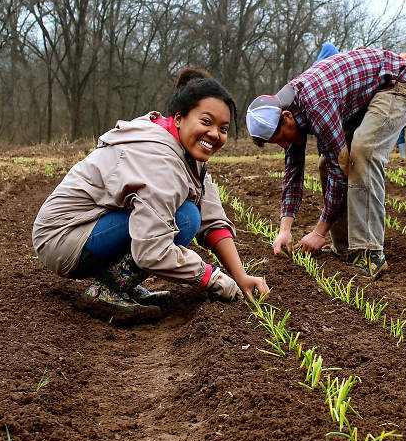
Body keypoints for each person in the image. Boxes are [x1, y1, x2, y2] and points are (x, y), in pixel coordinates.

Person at [32, 77, 269, 321]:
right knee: (185, 218)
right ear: (178, 118)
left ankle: (121, 284)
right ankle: (107, 290)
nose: (214, 134)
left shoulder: (188, 152)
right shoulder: (159, 160)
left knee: (190, 215)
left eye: (223, 128)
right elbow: (151, 250)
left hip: (87, 228)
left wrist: (240, 276)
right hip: (63, 237)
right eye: (206, 121)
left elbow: (212, 219)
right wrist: (210, 276)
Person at [245, 48, 406, 279]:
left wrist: (318, 232)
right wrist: (285, 229)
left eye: (281, 140)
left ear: (287, 116)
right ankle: (344, 246)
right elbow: (293, 174)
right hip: (361, 96)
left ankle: (370, 253)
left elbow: (341, 173)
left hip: (396, 84)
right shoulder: (286, 113)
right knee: (325, 164)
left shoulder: (316, 106)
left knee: (362, 153)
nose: (283, 146)